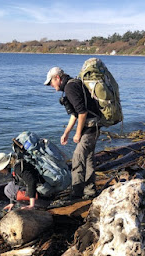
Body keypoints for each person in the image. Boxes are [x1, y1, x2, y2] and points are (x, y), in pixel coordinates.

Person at [44, 66, 101, 199]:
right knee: (88, 158)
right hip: (95, 124)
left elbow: (82, 113)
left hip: (90, 126)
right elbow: (75, 114)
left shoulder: (70, 88)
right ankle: (90, 190)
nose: (51, 86)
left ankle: (77, 193)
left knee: (78, 158)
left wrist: (77, 133)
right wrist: (66, 132)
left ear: (57, 78)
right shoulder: (73, 84)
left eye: (51, 82)